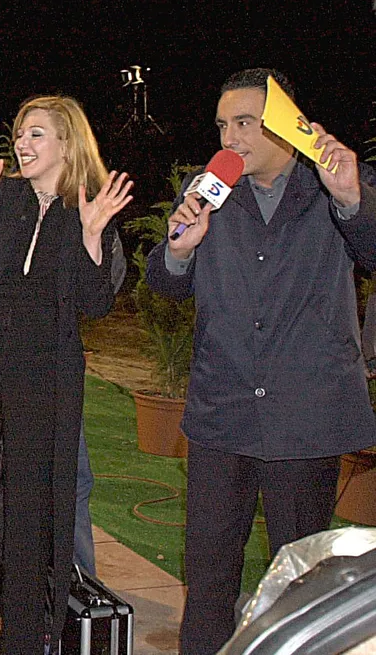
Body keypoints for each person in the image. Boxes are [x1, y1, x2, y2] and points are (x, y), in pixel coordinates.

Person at [145, 68, 376, 655]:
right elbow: (166, 283)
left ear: (284, 124)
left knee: (300, 584)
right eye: (223, 124)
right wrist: (179, 250)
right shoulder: (207, 190)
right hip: (222, 414)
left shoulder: (335, 184)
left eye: (245, 122)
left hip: (306, 418)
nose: (230, 138)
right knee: (208, 580)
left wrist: (350, 198)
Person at [0, 96, 131, 653]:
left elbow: (95, 304)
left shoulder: (89, 208)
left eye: (36, 134)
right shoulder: (0, 196)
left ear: (68, 143)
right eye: (21, 133)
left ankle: (23, 640)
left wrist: (92, 239)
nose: (22, 143)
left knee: (31, 520)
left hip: (44, 383)